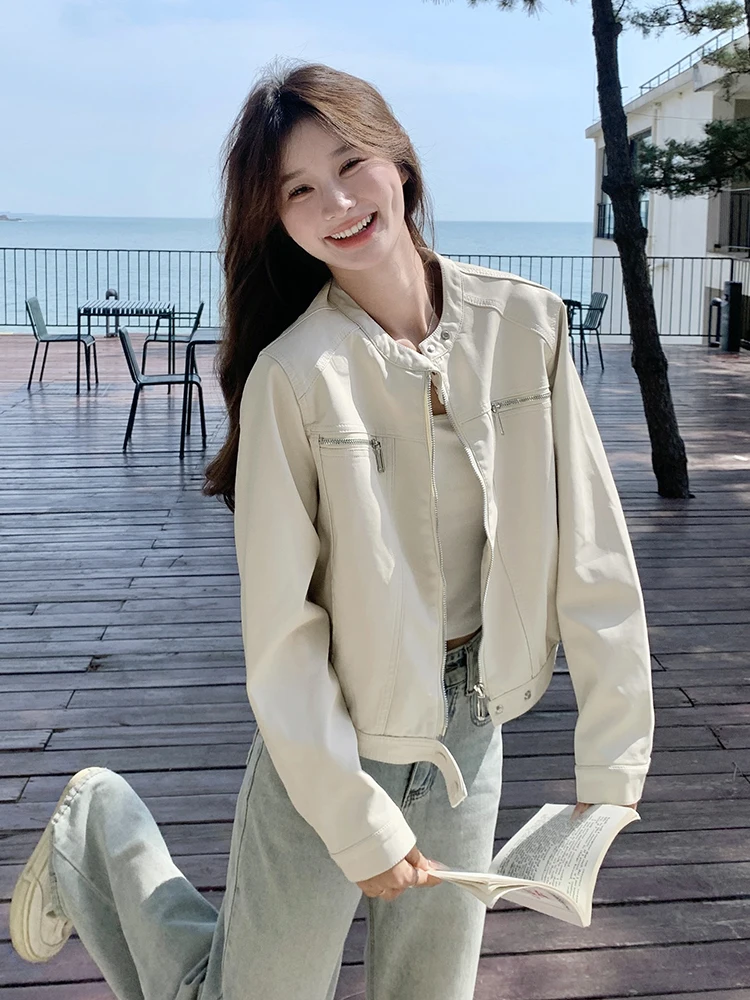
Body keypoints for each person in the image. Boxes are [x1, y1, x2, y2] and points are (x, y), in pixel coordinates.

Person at [10, 61, 655, 1000]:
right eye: (299, 190)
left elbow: (595, 556)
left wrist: (611, 759)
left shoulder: (526, 325)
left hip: (470, 727)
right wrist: (356, 819)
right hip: (330, 732)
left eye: (351, 165)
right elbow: (281, 634)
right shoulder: (294, 375)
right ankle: (101, 826)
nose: (338, 204)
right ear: (277, 219)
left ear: (401, 162)